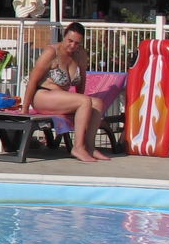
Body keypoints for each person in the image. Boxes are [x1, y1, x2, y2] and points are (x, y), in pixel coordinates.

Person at [16, 21, 110, 164]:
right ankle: (77, 147)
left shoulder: (80, 54)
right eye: (70, 41)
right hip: (42, 96)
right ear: (64, 36)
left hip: (61, 98)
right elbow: (32, 81)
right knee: (85, 101)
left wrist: (82, 106)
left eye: (77, 43)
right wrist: (24, 108)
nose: (73, 46)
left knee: (97, 103)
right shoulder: (51, 52)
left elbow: (82, 82)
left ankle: (89, 146)